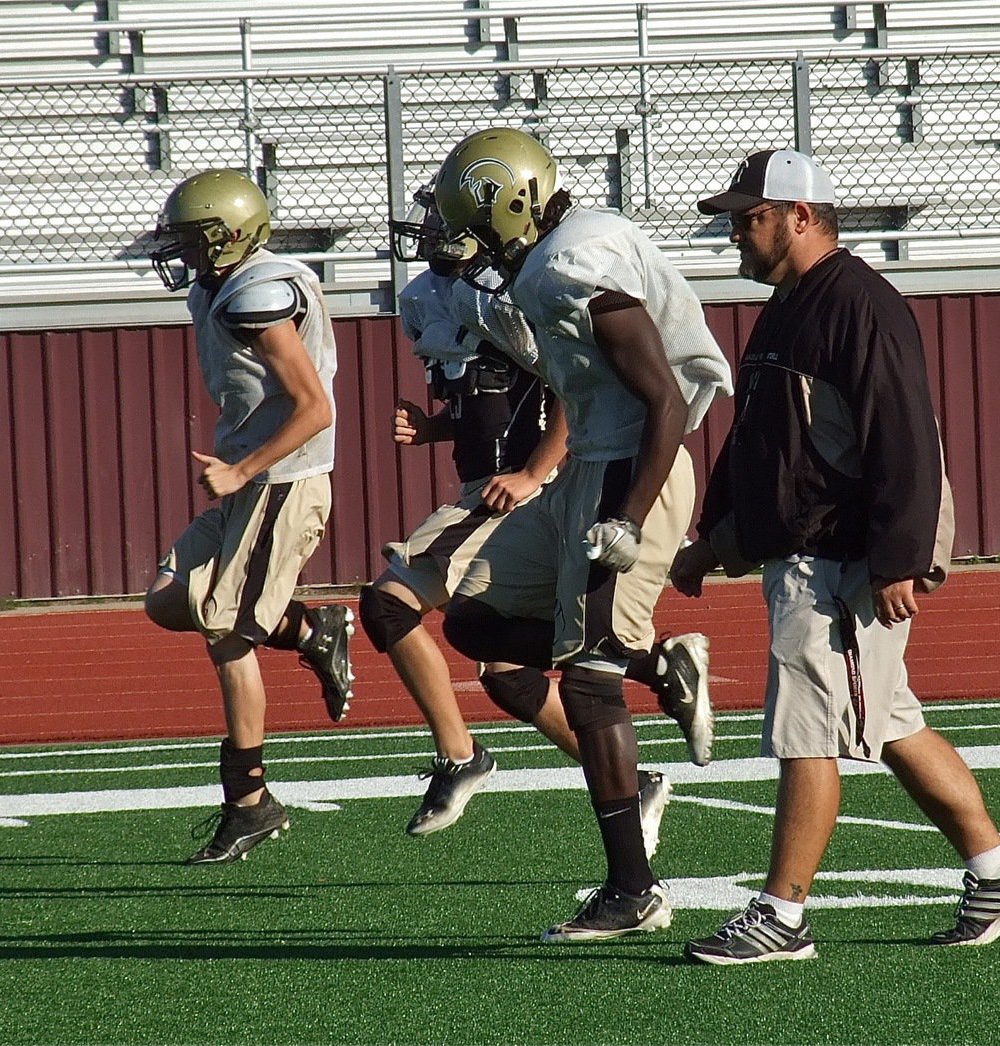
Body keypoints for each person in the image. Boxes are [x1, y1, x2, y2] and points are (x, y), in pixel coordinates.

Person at [673, 148, 1000, 963]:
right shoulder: (789, 303)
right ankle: (998, 870)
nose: (736, 235)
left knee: (808, 728)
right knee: (890, 722)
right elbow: (768, 447)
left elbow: (906, 438)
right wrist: (716, 541)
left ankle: (783, 915)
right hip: (813, 553)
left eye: (750, 218)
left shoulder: (859, 304)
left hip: (842, 560)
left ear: (800, 216)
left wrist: (898, 559)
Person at [432, 128, 733, 942]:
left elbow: (664, 400)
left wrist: (627, 518)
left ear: (513, 202)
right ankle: (657, 663)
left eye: (471, 218)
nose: (462, 237)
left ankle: (632, 889)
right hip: (588, 470)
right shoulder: (562, 250)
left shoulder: (571, 266)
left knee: (591, 684)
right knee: (474, 615)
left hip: (632, 470)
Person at [359, 192, 701, 851]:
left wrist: (534, 471)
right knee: (504, 667)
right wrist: (438, 427)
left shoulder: (522, 285)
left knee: (389, 606)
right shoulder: (435, 296)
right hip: (487, 486)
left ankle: (463, 756)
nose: (432, 229)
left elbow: (574, 384)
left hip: (525, 491)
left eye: (444, 215)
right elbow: (488, 396)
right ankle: (642, 736)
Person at [144, 169, 354, 865]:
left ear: (229, 236)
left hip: (280, 482)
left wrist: (240, 468)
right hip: (252, 480)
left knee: (225, 628)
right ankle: (310, 628)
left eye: (191, 239)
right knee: (170, 600)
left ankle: (249, 800)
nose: (182, 253)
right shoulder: (228, 286)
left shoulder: (256, 295)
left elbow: (314, 407)